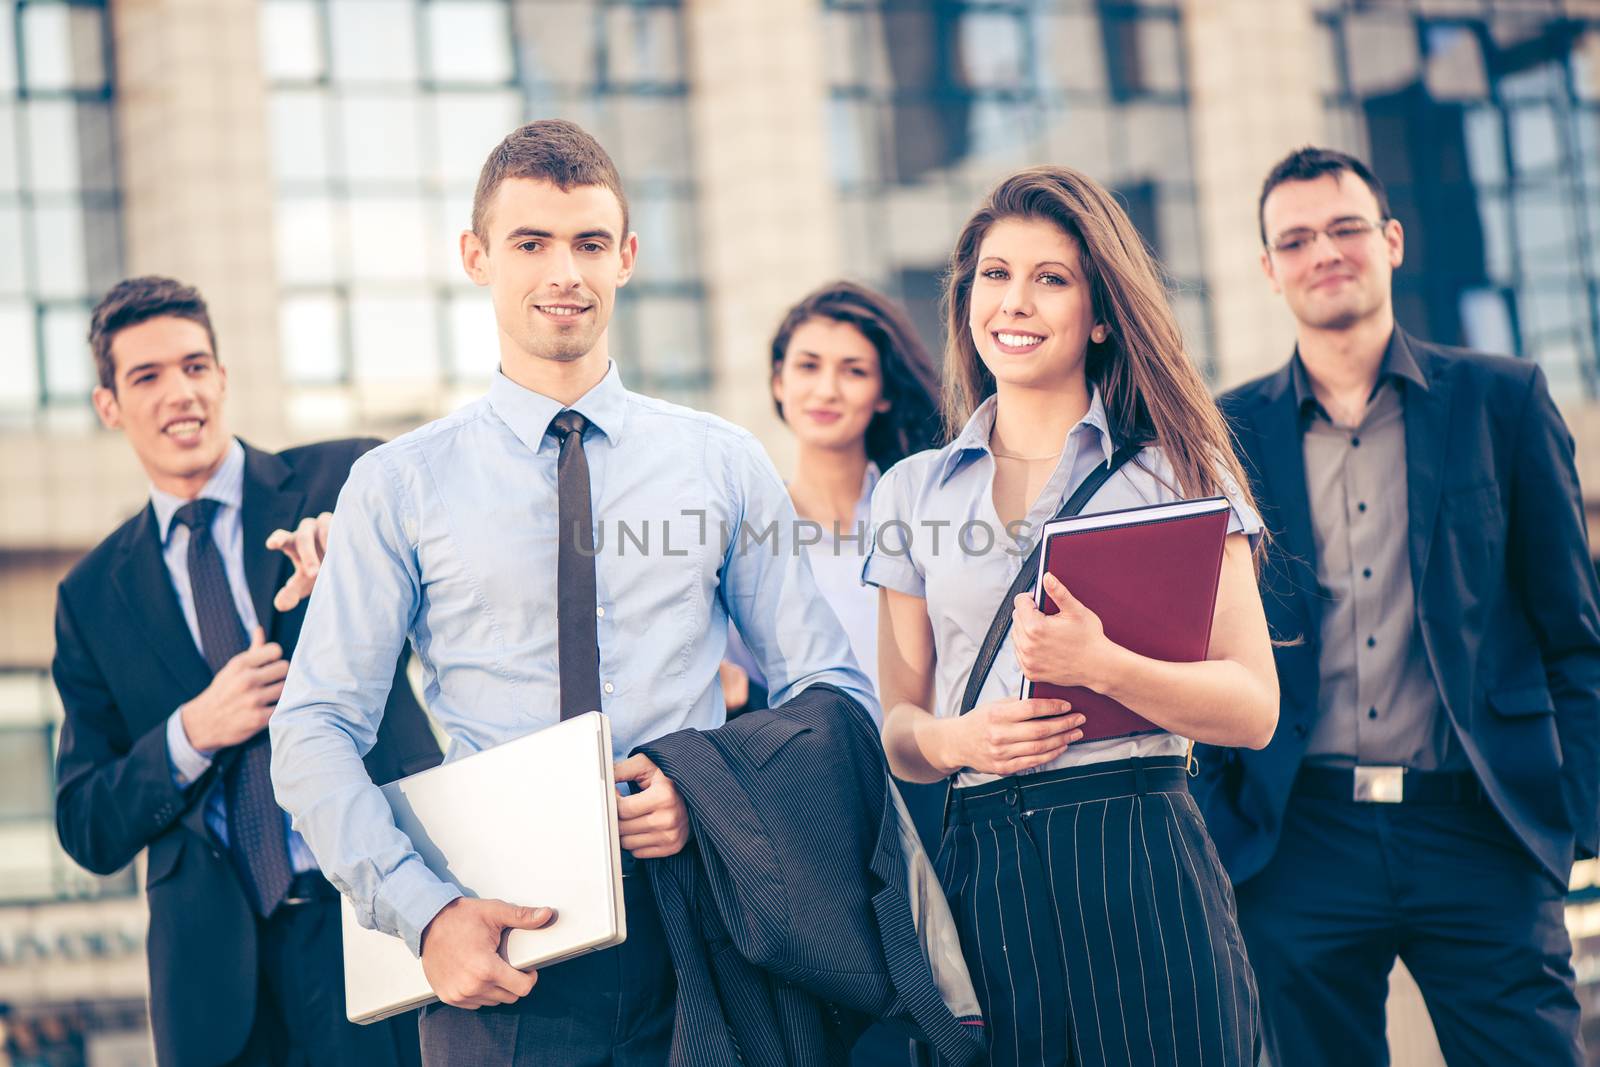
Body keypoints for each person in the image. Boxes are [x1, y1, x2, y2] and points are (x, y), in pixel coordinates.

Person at [267, 119, 877, 1066]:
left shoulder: (722, 463)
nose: (566, 272)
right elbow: (311, 729)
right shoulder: (399, 484)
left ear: (627, 256)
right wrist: (426, 917)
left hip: (700, 936)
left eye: (590, 243)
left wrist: (709, 792)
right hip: (495, 947)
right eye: (531, 243)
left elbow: (832, 694)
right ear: (476, 256)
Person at [1197, 145, 1600, 1067]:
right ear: (1269, 269)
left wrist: (1570, 820)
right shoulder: (1228, 431)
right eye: (1295, 240)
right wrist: (1225, 824)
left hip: (1480, 825)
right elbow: (1208, 641)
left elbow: (1574, 636)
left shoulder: (1504, 401)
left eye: (1345, 229)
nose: (1323, 252)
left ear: (1391, 240)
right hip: (1298, 836)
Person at [867, 165, 1276, 1067]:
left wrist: (1104, 665)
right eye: (994, 274)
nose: (1014, 301)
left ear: (1099, 313)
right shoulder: (910, 492)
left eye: (1050, 278)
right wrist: (955, 742)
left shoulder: (1179, 466)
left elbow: (1252, 705)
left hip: (1140, 846)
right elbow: (898, 725)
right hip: (987, 865)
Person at [51, 276, 442, 1067]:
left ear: (223, 379)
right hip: (216, 977)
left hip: (380, 916)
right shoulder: (91, 596)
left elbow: (474, 603)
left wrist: (364, 564)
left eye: (195, 366)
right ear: (109, 406)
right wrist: (190, 733)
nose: (179, 393)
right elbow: (85, 821)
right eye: (147, 377)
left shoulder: (344, 483)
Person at [721, 279, 940, 713]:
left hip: (930, 767)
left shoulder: (925, 514)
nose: (826, 390)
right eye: (808, 366)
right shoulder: (744, 535)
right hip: (807, 771)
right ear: (778, 383)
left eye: (854, 371)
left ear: (884, 394)